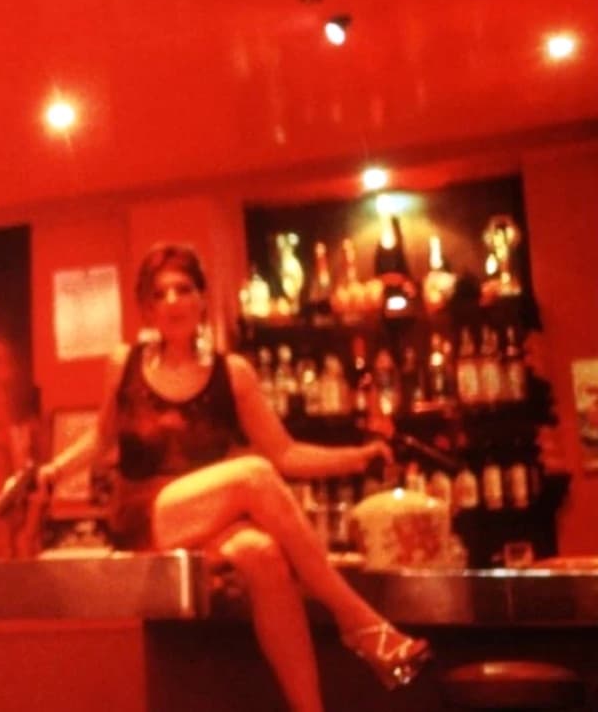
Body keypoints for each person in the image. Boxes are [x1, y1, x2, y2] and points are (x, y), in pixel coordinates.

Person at [35, 244, 430, 712]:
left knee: (263, 554)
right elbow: (101, 437)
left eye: (184, 289)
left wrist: (359, 458)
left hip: (208, 520)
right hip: (144, 515)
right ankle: (359, 622)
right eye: (160, 293)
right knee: (253, 475)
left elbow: (285, 453)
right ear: (147, 307)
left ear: (202, 299)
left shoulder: (232, 374)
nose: (173, 301)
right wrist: (54, 471)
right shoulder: (125, 364)